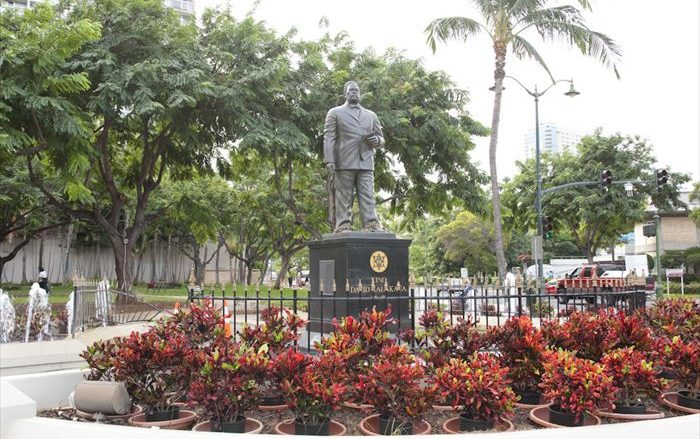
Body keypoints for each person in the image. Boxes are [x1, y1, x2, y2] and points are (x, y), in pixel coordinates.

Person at [324, 81, 385, 233]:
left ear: (360, 94)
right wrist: (329, 160)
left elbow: (381, 139)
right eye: (351, 91)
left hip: (365, 161)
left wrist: (377, 140)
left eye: (356, 91)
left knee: (368, 195)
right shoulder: (335, 112)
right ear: (345, 94)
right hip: (343, 161)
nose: (354, 93)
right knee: (344, 196)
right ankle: (343, 225)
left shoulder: (371, 115)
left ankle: (372, 224)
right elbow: (329, 137)